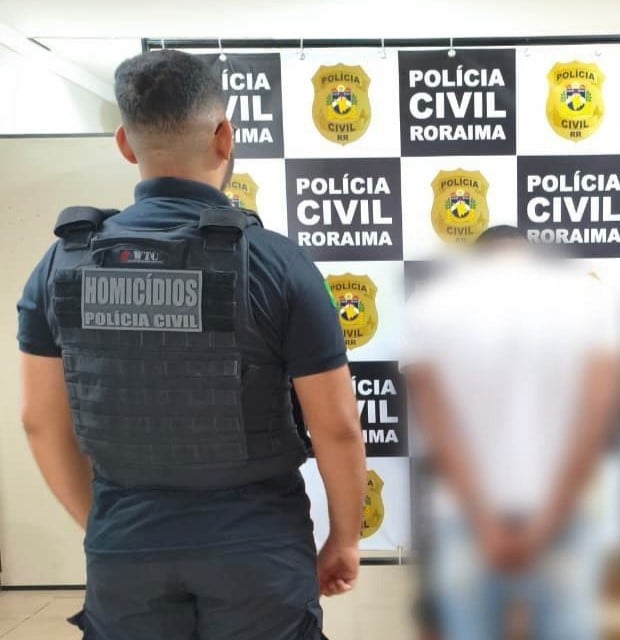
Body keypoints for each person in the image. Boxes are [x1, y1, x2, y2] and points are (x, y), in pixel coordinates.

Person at [17, 49, 366, 640]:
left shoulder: (61, 264)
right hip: (257, 548)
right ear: (224, 137)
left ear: (125, 144)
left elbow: (40, 423)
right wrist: (346, 539)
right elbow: (335, 427)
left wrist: (106, 526)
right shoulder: (278, 264)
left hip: (126, 545)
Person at [403, 226, 620, 640]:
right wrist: (544, 523)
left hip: (490, 517)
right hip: (517, 517)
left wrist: (491, 524)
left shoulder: (430, 309)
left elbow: (593, 422)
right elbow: (592, 423)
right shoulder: (584, 308)